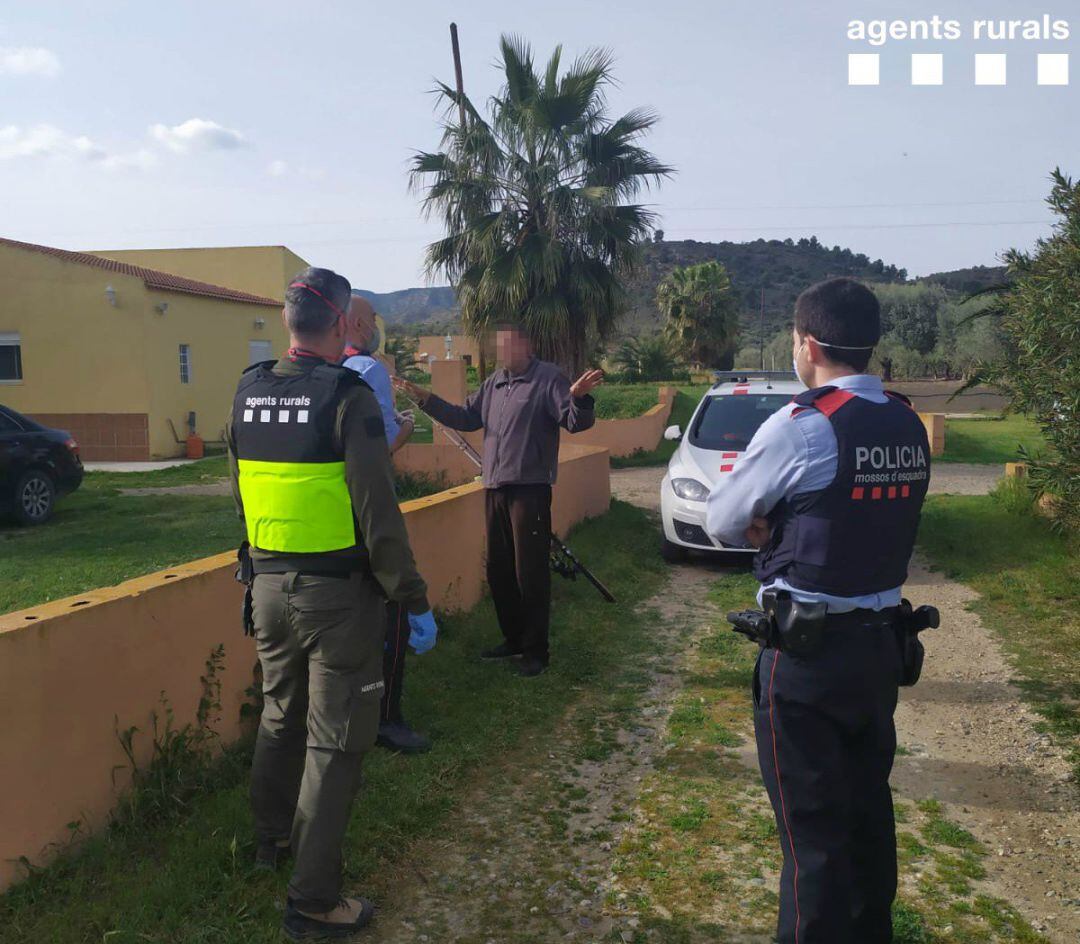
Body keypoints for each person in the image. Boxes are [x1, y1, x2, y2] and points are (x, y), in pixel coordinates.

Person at [704, 278, 931, 944]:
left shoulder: (805, 425)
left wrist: (769, 527)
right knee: (866, 820)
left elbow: (722, 518)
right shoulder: (903, 419)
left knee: (813, 844)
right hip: (881, 652)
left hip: (808, 662)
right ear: (870, 343)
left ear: (806, 345)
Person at [226, 266, 438, 940]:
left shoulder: (246, 392)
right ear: (343, 325)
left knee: (279, 716)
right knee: (335, 741)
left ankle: (270, 844)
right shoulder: (349, 399)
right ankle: (313, 901)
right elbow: (379, 514)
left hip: (266, 587)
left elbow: (242, 494)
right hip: (336, 600)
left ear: (288, 323)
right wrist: (412, 596)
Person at [394, 325, 604, 677]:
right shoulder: (494, 384)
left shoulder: (548, 378)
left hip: (530, 489)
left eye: (509, 346)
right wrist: (424, 397)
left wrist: (580, 398)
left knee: (530, 571)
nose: (503, 353)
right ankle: (514, 639)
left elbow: (574, 422)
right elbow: (465, 417)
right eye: (498, 348)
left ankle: (537, 651)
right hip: (494, 487)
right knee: (499, 568)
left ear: (526, 344)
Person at [341, 294, 430, 755]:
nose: (377, 325)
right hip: (369, 512)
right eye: (372, 318)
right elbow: (379, 449)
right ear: (355, 322)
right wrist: (406, 430)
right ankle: (388, 720)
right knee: (392, 615)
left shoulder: (312, 377)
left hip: (322, 529)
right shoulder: (368, 370)